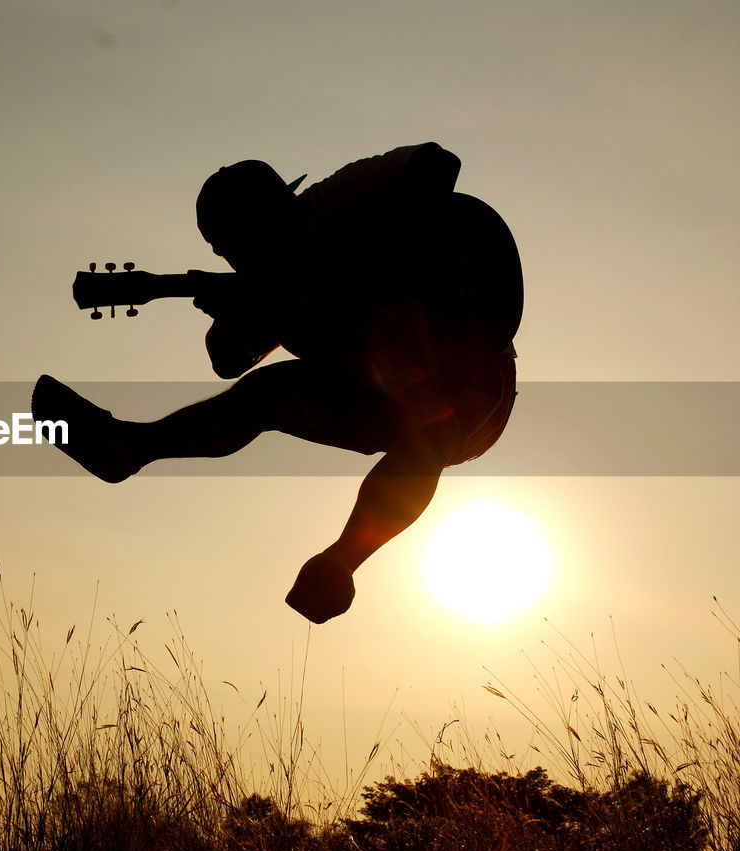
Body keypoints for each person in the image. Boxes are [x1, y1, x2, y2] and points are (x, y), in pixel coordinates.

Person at [32, 142, 522, 624]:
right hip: (378, 398)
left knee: (428, 416)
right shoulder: (275, 293)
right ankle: (126, 448)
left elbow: (438, 164)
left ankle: (343, 561)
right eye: (236, 253)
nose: (248, 257)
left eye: (256, 236)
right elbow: (226, 361)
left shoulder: (338, 199)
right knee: (264, 395)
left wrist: (369, 266)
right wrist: (239, 313)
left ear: (283, 207)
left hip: (475, 382)